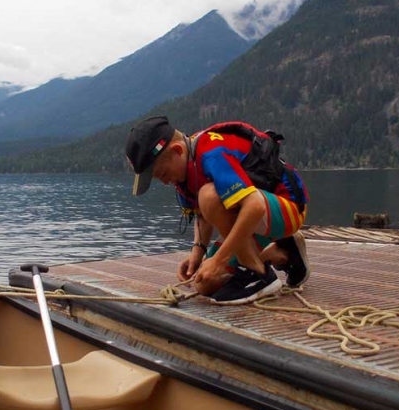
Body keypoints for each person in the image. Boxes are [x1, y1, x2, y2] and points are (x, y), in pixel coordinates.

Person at [125, 115, 310, 305]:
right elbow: (201, 215)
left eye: (163, 174)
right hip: (257, 221)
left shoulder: (211, 153)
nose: (164, 181)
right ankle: (285, 251)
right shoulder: (184, 171)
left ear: (177, 150)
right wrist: (198, 251)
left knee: (208, 195)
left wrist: (220, 260)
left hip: (288, 208)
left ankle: (260, 274)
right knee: (205, 283)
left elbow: (254, 206)